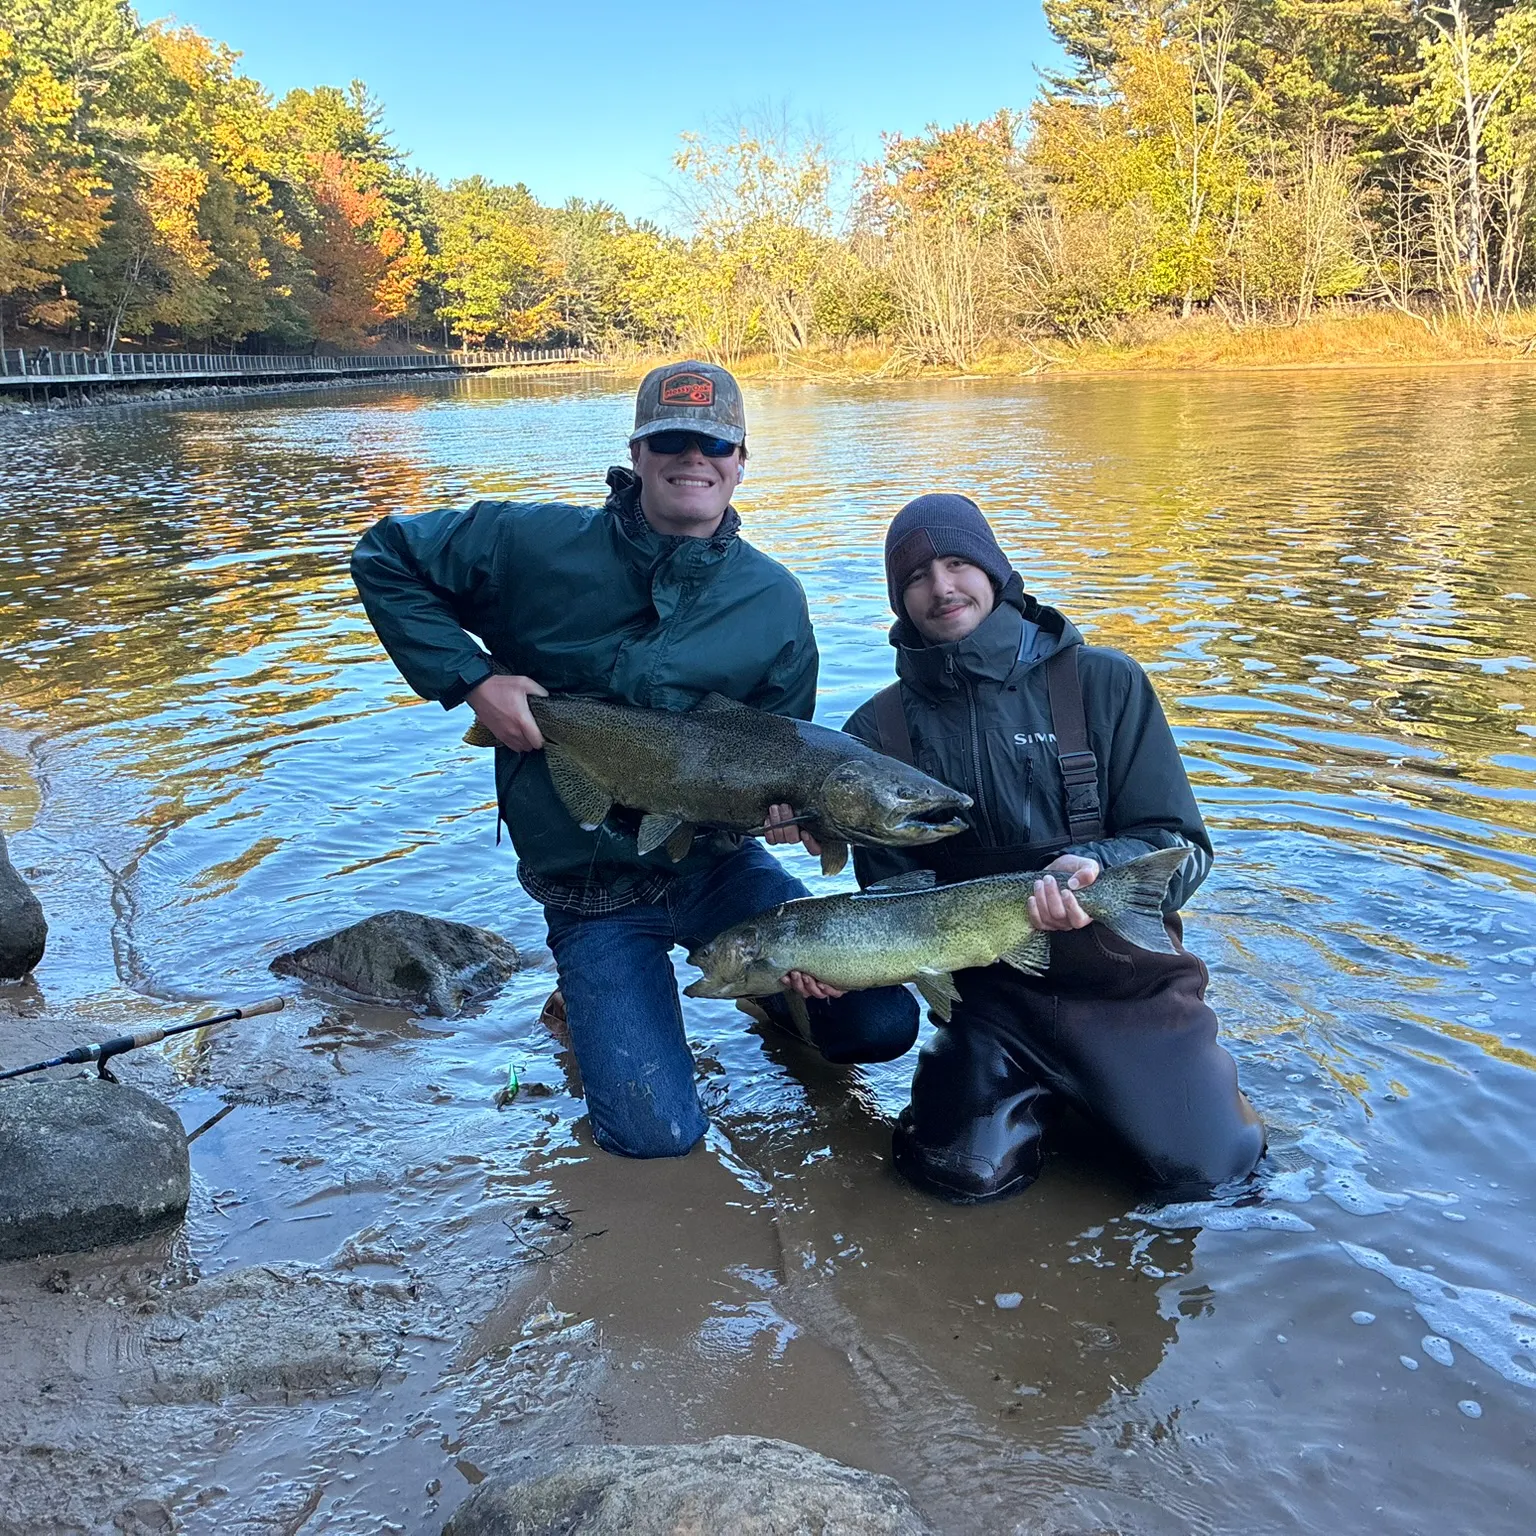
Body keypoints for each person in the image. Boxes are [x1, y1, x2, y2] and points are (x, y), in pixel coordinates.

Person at [349, 362, 919, 1159]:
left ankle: (766, 997)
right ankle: (582, 1001)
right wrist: (472, 678)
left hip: (716, 869)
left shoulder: (774, 600)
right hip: (589, 888)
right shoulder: (531, 544)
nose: (695, 458)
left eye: (714, 442)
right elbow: (385, 556)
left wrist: (795, 822)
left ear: (742, 457)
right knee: (655, 1139)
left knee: (880, 1021)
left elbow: (789, 751)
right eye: (672, 440)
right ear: (639, 452)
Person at [774, 493, 1263, 1203]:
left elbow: (1182, 846)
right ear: (899, 599)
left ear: (996, 572)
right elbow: (894, 906)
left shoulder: (1105, 682)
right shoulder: (874, 733)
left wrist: (1101, 873)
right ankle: (1051, 1104)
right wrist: (843, 965)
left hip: (1128, 993)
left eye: (957, 562)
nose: (940, 587)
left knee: (1214, 1178)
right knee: (955, 1178)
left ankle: (1113, 1095)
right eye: (914, 577)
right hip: (990, 1008)